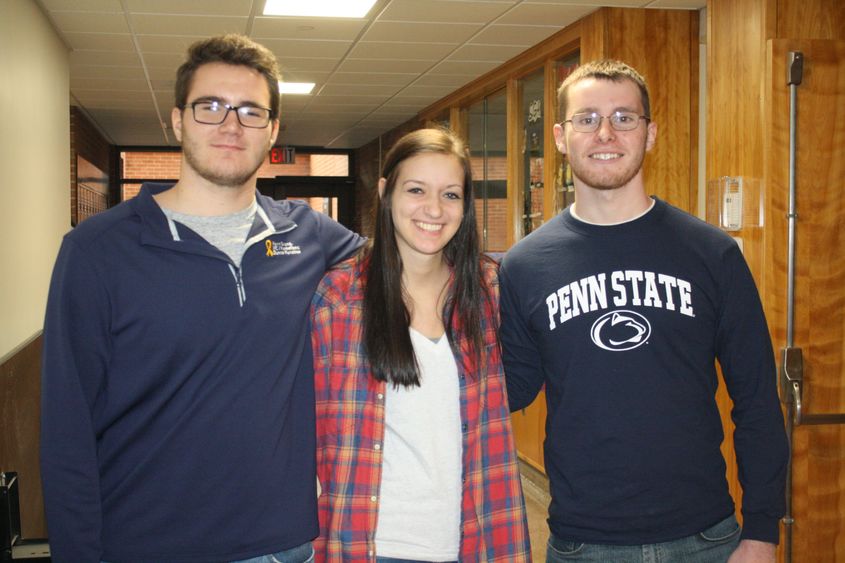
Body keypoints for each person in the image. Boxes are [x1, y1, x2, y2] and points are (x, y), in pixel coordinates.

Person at [40, 34, 364, 563]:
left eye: (250, 110)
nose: (231, 124)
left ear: (273, 129)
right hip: (146, 545)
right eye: (210, 106)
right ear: (178, 119)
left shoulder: (310, 235)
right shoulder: (97, 251)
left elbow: (409, 267)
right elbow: (66, 432)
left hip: (282, 546)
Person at [498, 60, 788, 563]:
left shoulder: (712, 255)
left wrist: (762, 531)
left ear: (650, 134)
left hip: (706, 539)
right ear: (561, 137)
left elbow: (758, 399)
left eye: (624, 118)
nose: (605, 132)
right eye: (586, 118)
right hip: (582, 541)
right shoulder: (524, 265)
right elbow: (510, 388)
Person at [311, 128, 531, 562]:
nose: (433, 209)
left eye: (451, 195)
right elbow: (306, 427)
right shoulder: (339, 298)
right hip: (370, 542)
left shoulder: (489, 294)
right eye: (416, 190)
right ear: (385, 191)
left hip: (475, 535)